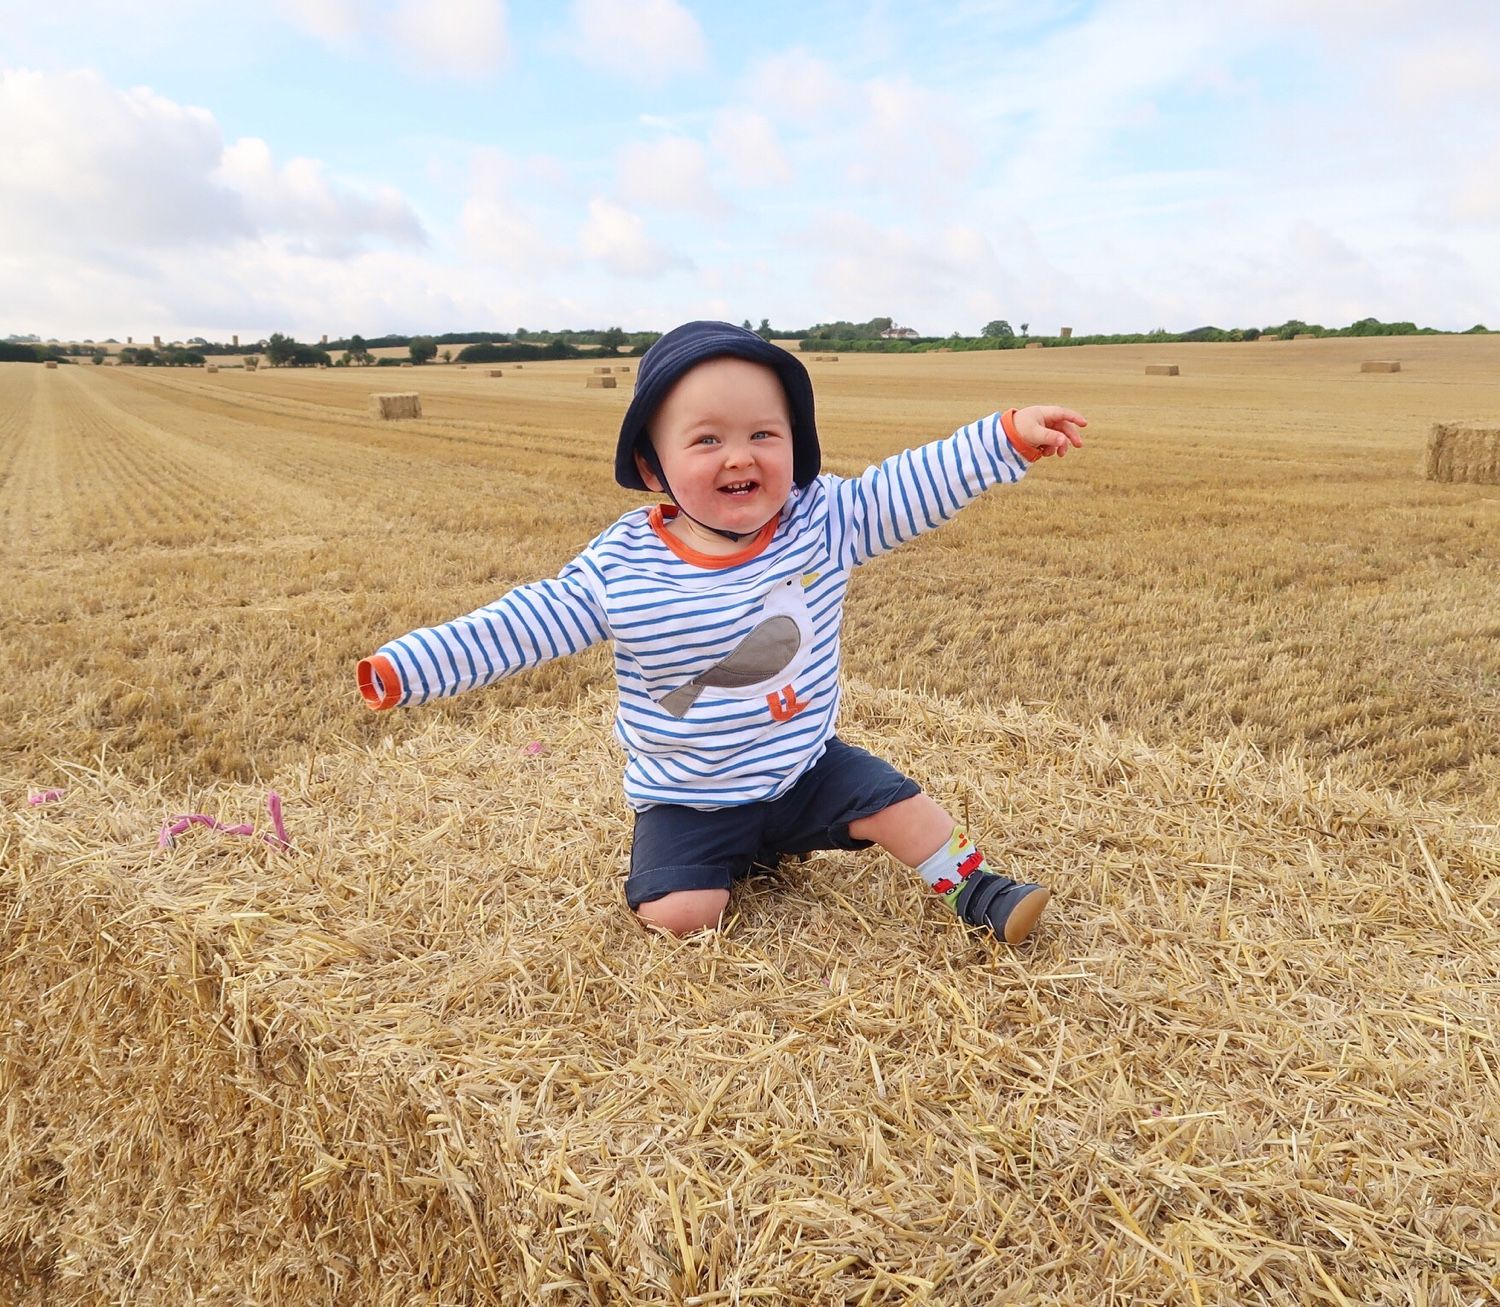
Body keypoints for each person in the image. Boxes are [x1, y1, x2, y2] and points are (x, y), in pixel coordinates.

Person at [358, 321, 1085, 943]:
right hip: (690, 792)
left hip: (805, 766)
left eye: (763, 434)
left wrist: (1006, 438)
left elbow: (906, 486)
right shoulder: (625, 567)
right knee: (681, 915)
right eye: (706, 440)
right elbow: (523, 623)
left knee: (907, 809)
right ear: (653, 465)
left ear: (795, 447)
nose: (740, 456)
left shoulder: (822, 520)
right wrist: (411, 667)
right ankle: (726, 856)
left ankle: (978, 890)